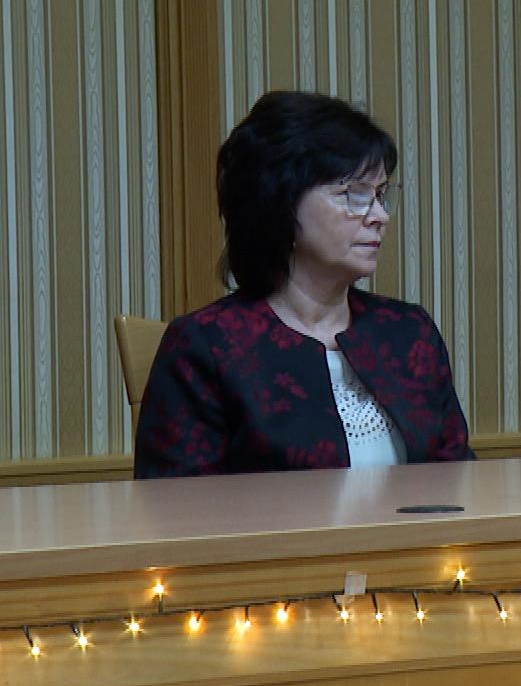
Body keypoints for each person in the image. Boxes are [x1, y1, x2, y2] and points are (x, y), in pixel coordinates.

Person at [134, 92, 473, 478]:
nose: (380, 216)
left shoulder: (408, 332)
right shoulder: (206, 347)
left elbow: (458, 479)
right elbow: (176, 504)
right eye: (354, 194)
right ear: (280, 203)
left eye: (380, 195)